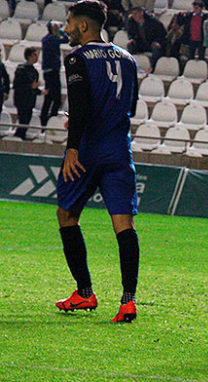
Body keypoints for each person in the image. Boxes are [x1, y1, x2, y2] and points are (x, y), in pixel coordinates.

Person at [54, 0, 141, 324]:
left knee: (66, 215)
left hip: (88, 150)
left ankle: (85, 292)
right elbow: (131, 104)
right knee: (124, 225)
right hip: (120, 149)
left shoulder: (77, 58)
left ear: (84, 25)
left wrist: (73, 147)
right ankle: (128, 301)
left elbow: (79, 103)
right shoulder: (128, 58)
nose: (66, 27)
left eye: (70, 21)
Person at [41, 20, 69, 127]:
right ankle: (50, 120)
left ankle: (44, 122)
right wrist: (60, 31)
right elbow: (66, 40)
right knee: (56, 99)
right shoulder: (51, 39)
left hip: (49, 72)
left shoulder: (46, 39)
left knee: (48, 98)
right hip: (52, 72)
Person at [13, 48, 44, 140]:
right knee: (23, 120)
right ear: (29, 56)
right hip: (22, 99)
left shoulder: (34, 71)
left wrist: (41, 92)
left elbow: (34, 87)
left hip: (30, 100)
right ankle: (18, 137)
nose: (36, 57)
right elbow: (17, 85)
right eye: (34, 55)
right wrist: (31, 87)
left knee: (27, 121)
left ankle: (21, 136)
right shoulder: (21, 69)